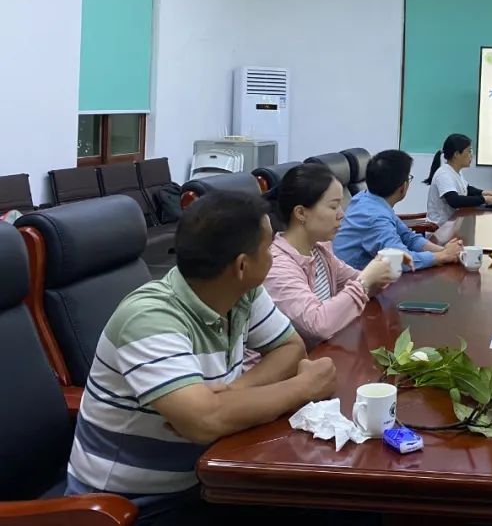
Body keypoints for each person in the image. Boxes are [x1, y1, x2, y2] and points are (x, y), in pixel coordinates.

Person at [65, 191, 337, 523]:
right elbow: (204, 421)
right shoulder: (148, 318)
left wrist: (233, 392)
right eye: (268, 248)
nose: (274, 254)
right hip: (130, 507)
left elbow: (290, 349)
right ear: (242, 265)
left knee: (335, 507)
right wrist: (305, 387)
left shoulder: (243, 293)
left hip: (210, 478)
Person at [264, 163, 405, 348]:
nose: (342, 215)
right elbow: (318, 324)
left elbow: (365, 287)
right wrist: (366, 280)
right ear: (301, 213)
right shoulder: (278, 266)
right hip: (299, 362)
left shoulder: (319, 250)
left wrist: (383, 269)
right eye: (333, 206)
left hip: (326, 351)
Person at [334, 149, 464, 270]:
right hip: (353, 282)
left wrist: (443, 251)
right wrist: (443, 256)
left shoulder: (366, 197)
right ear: (403, 187)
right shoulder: (374, 216)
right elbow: (400, 261)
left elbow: (408, 237)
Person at [424, 133, 492, 226]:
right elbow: (455, 201)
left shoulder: (455, 171)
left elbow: (466, 189)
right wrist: (485, 199)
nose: (471, 155)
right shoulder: (444, 175)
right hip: (440, 229)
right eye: (469, 151)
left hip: (453, 224)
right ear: (456, 154)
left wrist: (485, 193)